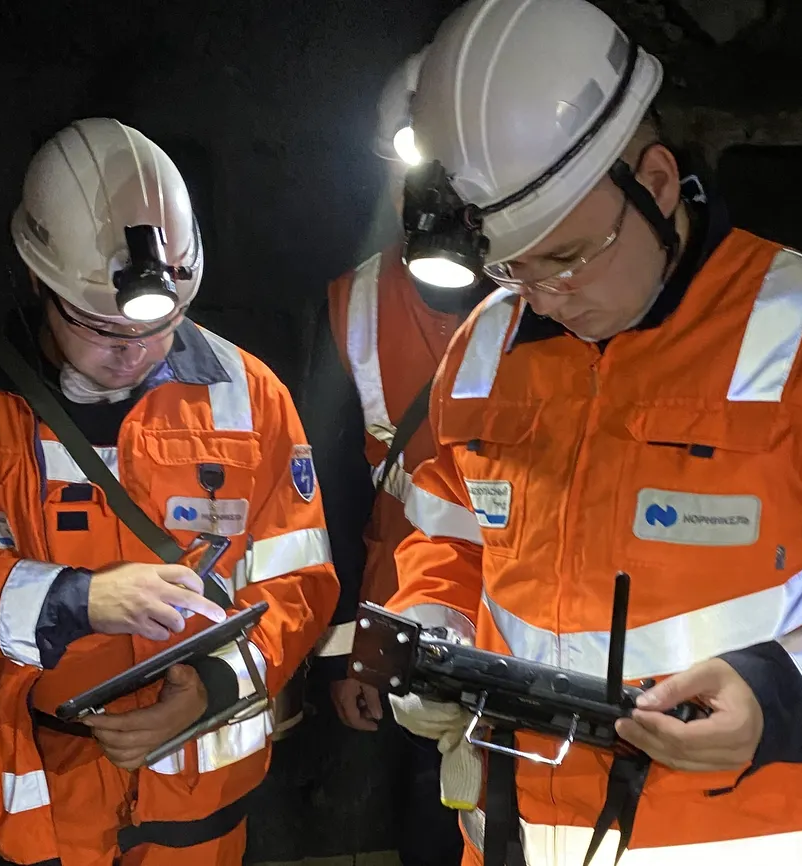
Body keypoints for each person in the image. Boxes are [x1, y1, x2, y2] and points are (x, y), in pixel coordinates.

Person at [379, 1, 802, 865]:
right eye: (511, 266)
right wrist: (432, 637)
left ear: (653, 183)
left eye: (567, 257)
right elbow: (451, 536)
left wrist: (782, 696)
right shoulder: (485, 348)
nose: (543, 296)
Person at [0, 117, 339, 866]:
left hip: (197, 802)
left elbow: (299, 582)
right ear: (39, 280)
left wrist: (212, 688)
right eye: (101, 329)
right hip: (31, 794)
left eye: (158, 326)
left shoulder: (250, 396)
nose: (133, 351)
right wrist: (73, 599)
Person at [296, 50, 486, 866]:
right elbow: (327, 499)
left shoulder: (559, 293)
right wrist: (347, 654)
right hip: (412, 618)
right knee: (430, 819)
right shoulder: (353, 308)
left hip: (542, 619)